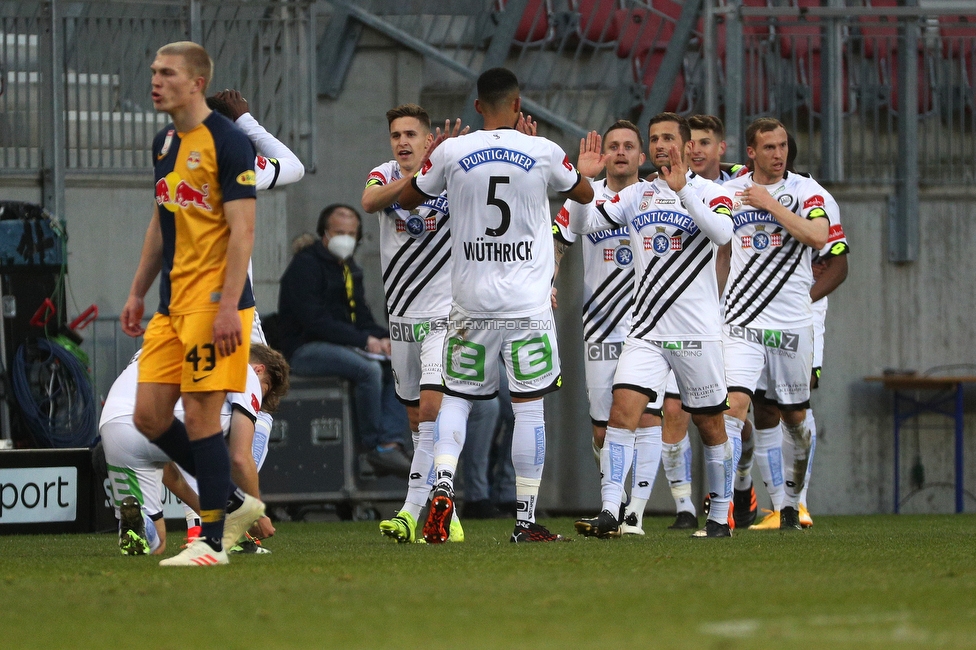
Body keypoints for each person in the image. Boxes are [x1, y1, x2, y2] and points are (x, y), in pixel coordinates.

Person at [399, 67, 594, 543]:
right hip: (527, 303)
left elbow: (408, 199)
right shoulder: (543, 151)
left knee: (459, 400)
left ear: (478, 106)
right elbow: (584, 193)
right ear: (518, 103)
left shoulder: (450, 151)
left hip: (469, 303)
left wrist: (430, 164)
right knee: (528, 409)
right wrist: (567, 169)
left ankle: (443, 484)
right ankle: (525, 520)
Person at [120, 41, 265, 567]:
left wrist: (229, 306)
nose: (156, 81)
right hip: (171, 304)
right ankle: (229, 499)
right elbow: (163, 223)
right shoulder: (163, 142)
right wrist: (138, 290)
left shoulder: (228, 143)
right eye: (154, 71)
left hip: (214, 303)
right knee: (149, 417)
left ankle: (209, 543)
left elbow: (243, 232)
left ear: (197, 82)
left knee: (203, 419)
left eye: (167, 73)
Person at [571, 112, 737, 539]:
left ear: (684, 145)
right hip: (644, 331)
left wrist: (684, 192)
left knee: (710, 425)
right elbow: (584, 225)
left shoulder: (713, 193)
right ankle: (613, 511)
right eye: (655, 138)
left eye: (668, 138)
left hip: (696, 334)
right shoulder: (638, 195)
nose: (660, 145)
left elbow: (721, 234)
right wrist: (581, 184)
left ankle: (720, 514)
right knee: (621, 412)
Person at [360, 103, 471, 542]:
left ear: (429, 140)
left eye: (411, 134)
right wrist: (418, 178)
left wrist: (441, 168)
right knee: (415, 420)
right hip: (402, 318)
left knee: (431, 410)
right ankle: (447, 514)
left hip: (445, 314)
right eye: (396, 135)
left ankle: (408, 512)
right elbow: (369, 202)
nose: (402, 142)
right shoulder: (384, 174)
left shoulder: (453, 177)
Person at [552, 119, 663, 536]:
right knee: (604, 429)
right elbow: (560, 238)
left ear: (641, 156)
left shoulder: (655, 197)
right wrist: (549, 278)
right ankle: (614, 501)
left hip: (647, 325)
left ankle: (628, 513)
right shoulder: (587, 196)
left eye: (628, 146)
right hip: (598, 324)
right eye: (612, 145)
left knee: (647, 418)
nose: (619, 151)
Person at [720, 117, 830, 531]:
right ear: (751, 152)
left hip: (791, 323)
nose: (778, 154)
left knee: (796, 421)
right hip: (742, 321)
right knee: (733, 409)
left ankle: (791, 503)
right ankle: (723, 514)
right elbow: (721, 250)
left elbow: (818, 237)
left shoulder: (806, 191)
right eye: (769, 147)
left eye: (782, 145)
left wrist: (769, 203)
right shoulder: (730, 193)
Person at [100, 344, 289, 555]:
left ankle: (140, 524)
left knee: (156, 543)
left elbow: (171, 472)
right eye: (266, 388)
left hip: (114, 424)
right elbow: (240, 457)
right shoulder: (244, 370)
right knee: (234, 434)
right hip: (178, 420)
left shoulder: (160, 345)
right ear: (260, 369)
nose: (261, 399)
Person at [277, 204, 412, 478]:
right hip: (303, 349)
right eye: (339, 232)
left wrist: (387, 339)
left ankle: (390, 443)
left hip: (341, 345)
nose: (345, 239)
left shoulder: (350, 269)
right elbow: (314, 322)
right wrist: (365, 341)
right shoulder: (305, 266)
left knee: (402, 363)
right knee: (368, 369)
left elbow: (360, 316)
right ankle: (372, 447)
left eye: (351, 233)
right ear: (323, 233)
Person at [659, 114, 745, 530]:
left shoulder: (728, 191)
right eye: (690, 142)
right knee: (672, 410)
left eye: (704, 143)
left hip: (721, 321)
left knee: (720, 418)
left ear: (720, 148)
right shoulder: (662, 190)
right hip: (676, 322)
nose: (695, 149)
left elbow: (724, 251)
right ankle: (683, 507)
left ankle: (729, 501)